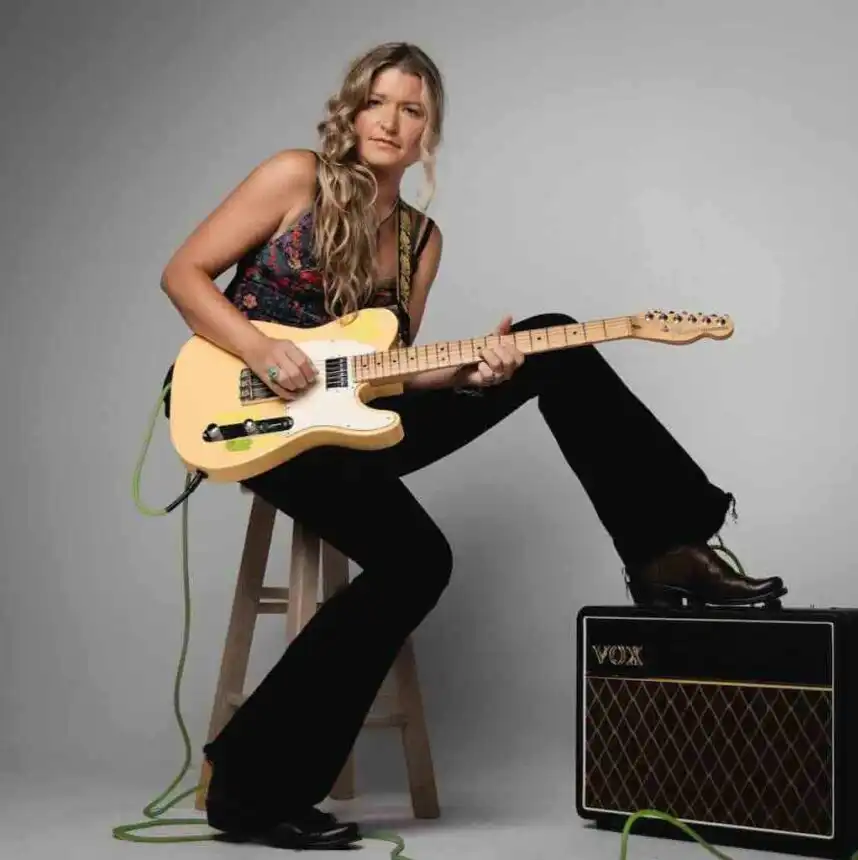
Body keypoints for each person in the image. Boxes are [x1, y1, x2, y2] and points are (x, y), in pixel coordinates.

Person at [159, 41, 786, 850]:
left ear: (429, 133)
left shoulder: (423, 240)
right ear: (351, 112)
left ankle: (667, 548)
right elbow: (183, 275)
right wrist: (255, 349)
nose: (391, 121)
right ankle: (249, 792)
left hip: (356, 421)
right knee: (419, 561)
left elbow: (389, 374)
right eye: (378, 102)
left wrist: (472, 374)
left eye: (412, 110)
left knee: (550, 340)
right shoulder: (294, 177)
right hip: (263, 424)